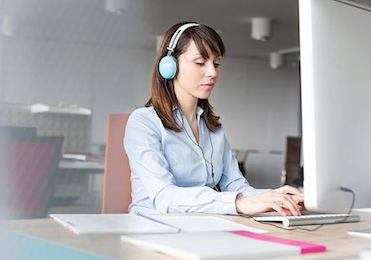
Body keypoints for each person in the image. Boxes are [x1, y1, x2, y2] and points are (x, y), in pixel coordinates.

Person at [124, 21, 303, 216]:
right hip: (152, 228)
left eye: (216, 63)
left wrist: (276, 198)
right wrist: (238, 204)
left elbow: (235, 185)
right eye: (200, 62)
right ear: (170, 65)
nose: (212, 72)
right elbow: (165, 197)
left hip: (201, 227)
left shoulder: (212, 127)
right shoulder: (143, 123)